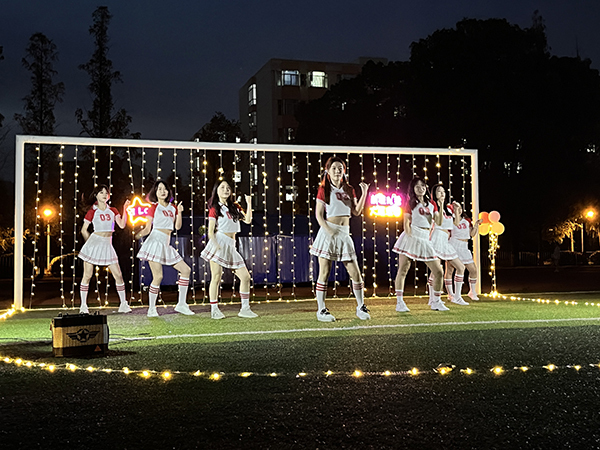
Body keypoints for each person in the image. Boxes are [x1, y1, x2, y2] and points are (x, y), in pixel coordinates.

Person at [309, 156, 370, 322]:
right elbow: (318, 215)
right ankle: (321, 309)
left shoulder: (349, 189)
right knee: (324, 272)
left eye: (340, 168)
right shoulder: (324, 189)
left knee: (355, 272)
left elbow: (356, 211)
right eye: (334, 168)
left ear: (344, 171)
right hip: (329, 232)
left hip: (344, 233)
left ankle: (361, 306)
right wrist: (328, 230)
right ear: (328, 171)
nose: (337, 171)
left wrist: (364, 193)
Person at [135, 180, 194, 317]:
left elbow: (177, 227)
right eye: (159, 189)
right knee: (158, 276)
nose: (162, 191)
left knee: (186, 270)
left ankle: (181, 304)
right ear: (155, 192)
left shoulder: (173, 207)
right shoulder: (153, 207)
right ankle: (151, 308)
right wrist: (137, 235)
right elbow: (147, 228)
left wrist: (180, 212)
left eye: (165, 189)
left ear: (168, 192)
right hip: (155, 241)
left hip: (166, 243)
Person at [200, 180, 256, 319]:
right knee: (216, 277)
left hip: (231, 245)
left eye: (228, 188)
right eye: (222, 187)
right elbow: (210, 231)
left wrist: (249, 203)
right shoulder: (215, 208)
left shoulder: (234, 207)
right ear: (217, 191)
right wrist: (215, 245)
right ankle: (214, 309)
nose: (226, 190)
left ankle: (245, 309)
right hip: (219, 242)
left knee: (245, 277)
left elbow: (247, 220)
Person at [392, 177, 446, 311]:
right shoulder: (410, 203)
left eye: (423, 186)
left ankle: (436, 301)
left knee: (438, 271)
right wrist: (410, 237)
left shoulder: (431, 203)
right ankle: (399, 302)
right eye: (417, 186)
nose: (421, 188)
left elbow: (439, 222)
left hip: (425, 238)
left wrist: (441, 205)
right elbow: (406, 222)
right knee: (403, 269)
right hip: (412, 235)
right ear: (413, 189)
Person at [78, 185, 131, 314]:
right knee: (87, 275)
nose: (104, 195)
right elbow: (84, 230)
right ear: (96, 195)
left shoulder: (113, 210)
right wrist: (89, 244)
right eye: (101, 192)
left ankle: (123, 304)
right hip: (94, 242)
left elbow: (122, 225)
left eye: (106, 193)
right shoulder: (92, 211)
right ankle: (83, 305)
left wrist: (125, 209)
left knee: (118, 275)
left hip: (107, 244)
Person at [429, 184, 469, 306]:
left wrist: (456, 210)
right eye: (439, 191)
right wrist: (440, 205)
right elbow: (439, 221)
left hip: (445, 240)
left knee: (460, 267)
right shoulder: (433, 206)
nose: (442, 193)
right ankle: (432, 298)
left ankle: (457, 297)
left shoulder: (448, 209)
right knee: (435, 271)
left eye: (443, 191)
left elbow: (455, 224)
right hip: (437, 237)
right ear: (434, 194)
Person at [448, 203, 482, 300]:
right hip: (453, 244)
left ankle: (472, 291)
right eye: (456, 208)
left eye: (460, 207)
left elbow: (472, 234)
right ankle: (451, 294)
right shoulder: (450, 220)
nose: (459, 209)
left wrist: (476, 225)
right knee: (450, 270)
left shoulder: (467, 220)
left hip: (464, 246)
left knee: (473, 270)